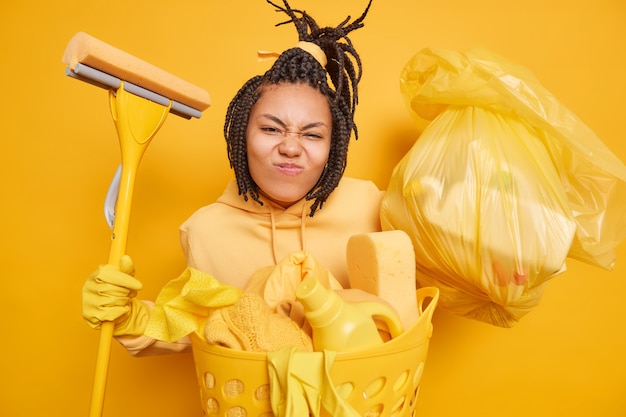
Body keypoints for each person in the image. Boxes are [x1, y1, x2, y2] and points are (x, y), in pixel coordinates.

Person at [82, 0, 379, 355]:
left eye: (312, 135)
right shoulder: (207, 231)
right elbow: (197, 325)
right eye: (271, 128)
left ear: (335, 146)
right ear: (242, 134)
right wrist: (130, 319)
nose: (290, 148)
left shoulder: (371, 207)